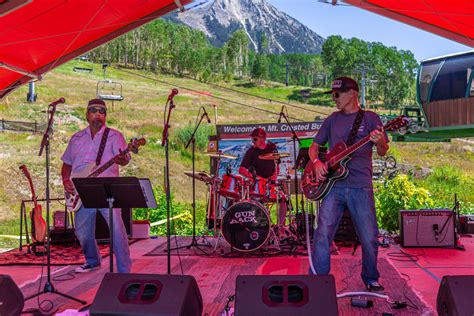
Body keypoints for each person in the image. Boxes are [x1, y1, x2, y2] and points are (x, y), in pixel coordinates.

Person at [308, 76, 389, 291]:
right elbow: (314, 146)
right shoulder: (332, 120)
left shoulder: (371, 118)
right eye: (333, 95)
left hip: (360, 185)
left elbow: (383, 150)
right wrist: (316, 163)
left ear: (352, 93)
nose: (334, 99)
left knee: (369, 235)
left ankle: (371, 278)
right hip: (334, 186)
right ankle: (318, 279)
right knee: (323, 232)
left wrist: (379, 140)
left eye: (337, 94)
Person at [61, 99, 132, 273]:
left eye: (102, 112)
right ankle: (92, 261)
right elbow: (66, 164)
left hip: (107, 190)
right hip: (81, 190)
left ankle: (124, 271)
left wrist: (123, 158)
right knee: (82, 233)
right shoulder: (76, 138)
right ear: (87, 115)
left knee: (117, 231)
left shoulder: (115, 136)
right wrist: (65, 180)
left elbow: (124, 161)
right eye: (94, 111)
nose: (98, 114)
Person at [238, 128, 287, 225]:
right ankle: (261, 226)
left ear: (263, 139)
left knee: (283, 199)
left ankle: (280, 226)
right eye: (252, 139)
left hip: (271, 184)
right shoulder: (251, 152)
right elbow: (241, 170)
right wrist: (255, 177)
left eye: (255, 139)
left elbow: (277, 167)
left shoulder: (272, 149)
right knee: (255, 202)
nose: (253, 142)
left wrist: (274, 177)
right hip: (257, 185)